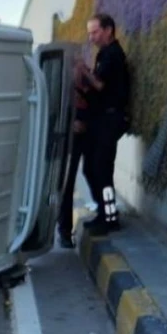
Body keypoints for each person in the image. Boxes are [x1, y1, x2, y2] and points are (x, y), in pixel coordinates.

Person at [78, 13, 131, 234]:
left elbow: (100, 85)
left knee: (101, 169)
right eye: (89, 33)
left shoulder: (113, 55)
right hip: (102, 120)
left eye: (95, 32)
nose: (92, 37)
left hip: (111, 118)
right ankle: (103, 211)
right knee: (91, 167)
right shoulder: (103, 54)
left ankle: (109, 218)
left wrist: (83, 71)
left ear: (109, 30)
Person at [57, 46, 95, 248]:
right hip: (67, 135)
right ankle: (63, 231)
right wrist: (69, 124)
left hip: (86, 133)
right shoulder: (62, 82)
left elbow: (98, 102)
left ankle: (105, 216)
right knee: (66, 181)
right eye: (77, 60)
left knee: (92, 172)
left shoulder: (88, 78)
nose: (81, 63)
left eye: (82, 58)